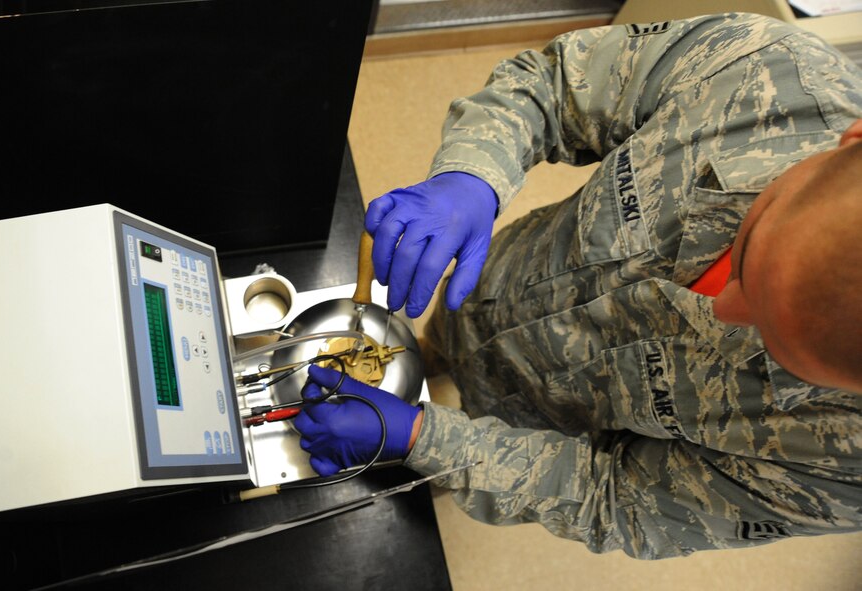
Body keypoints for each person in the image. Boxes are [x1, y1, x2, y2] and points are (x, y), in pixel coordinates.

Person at [294, 12, 862, 558]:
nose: (725, 308)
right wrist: (472, 176)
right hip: (490, 287)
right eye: (748, 251)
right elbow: (553, 85)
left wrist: (426, 441)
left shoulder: (842, 460)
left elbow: (617, 499)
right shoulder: (769, 75)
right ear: (852, 141)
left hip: (534, 426)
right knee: (430, 345)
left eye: (777, 350)